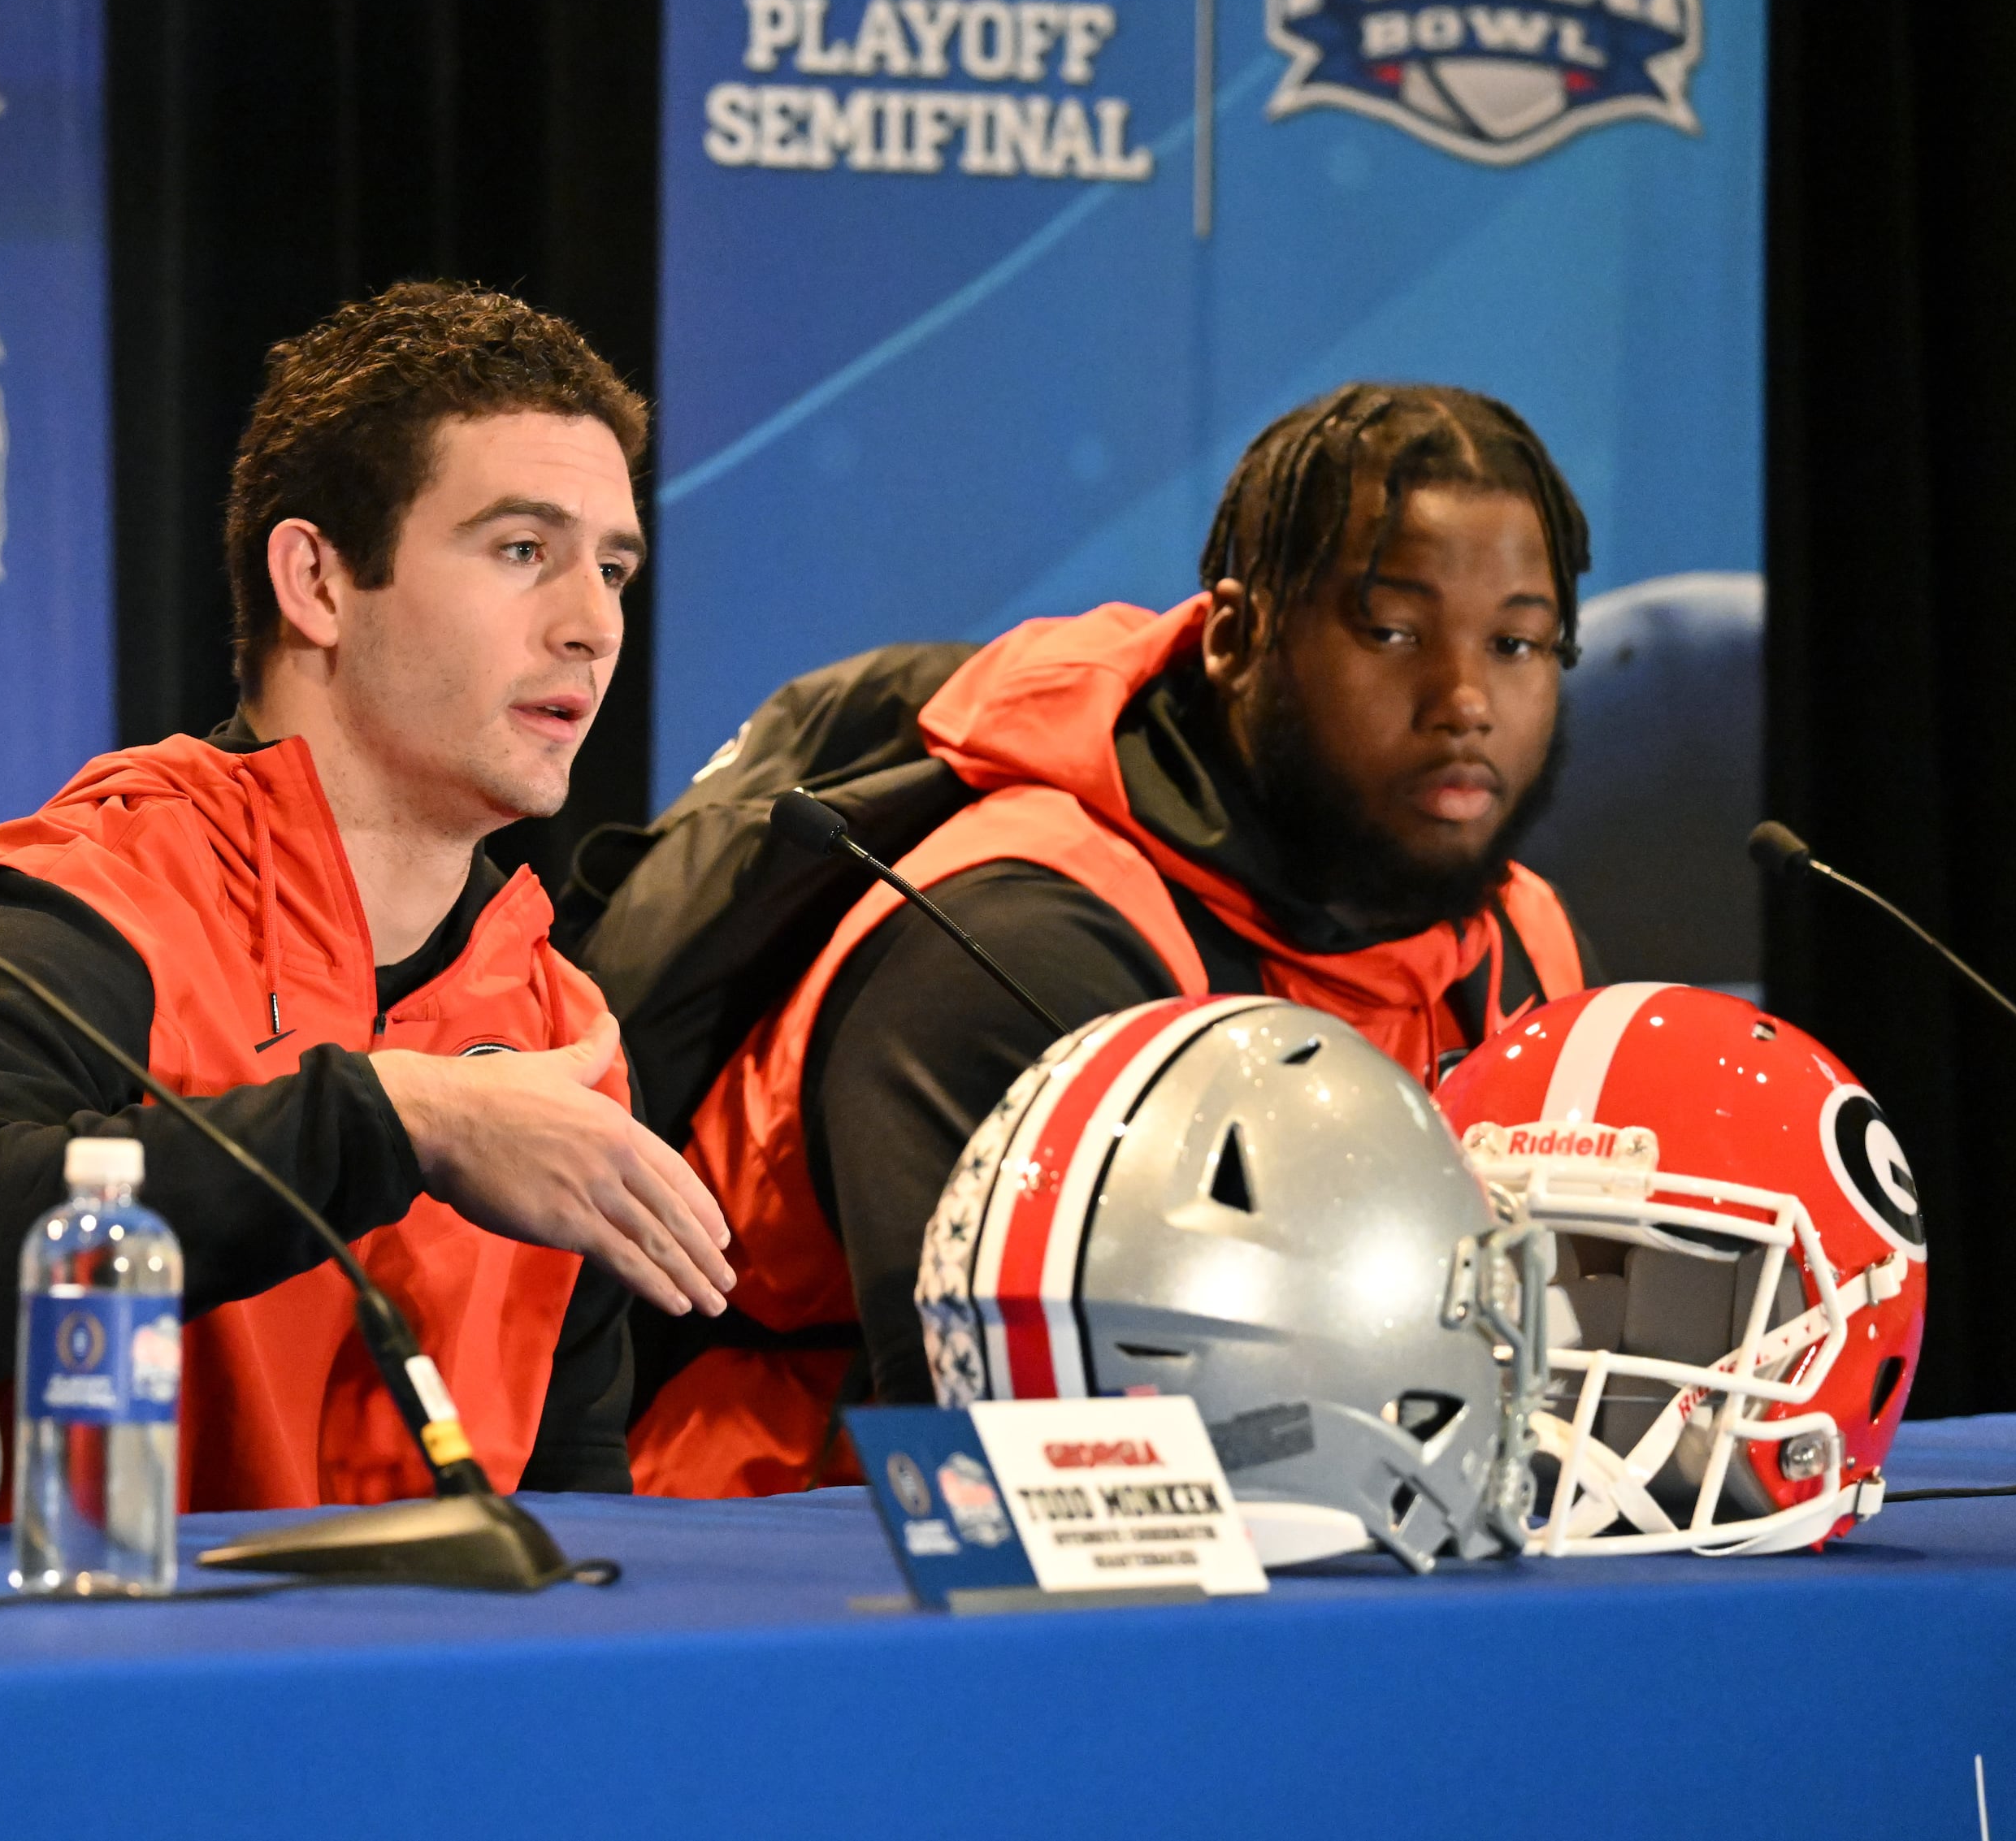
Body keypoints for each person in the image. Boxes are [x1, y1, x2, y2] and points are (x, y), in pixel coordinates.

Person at [0, 282, 733, 1509]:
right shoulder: (82, 903)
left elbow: (570, 1494)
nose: (592, 626)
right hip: (86, 1671)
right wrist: (401, 1119)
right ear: (315, 581)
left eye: (613, 568)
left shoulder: (557, 1028)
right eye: (523, 551)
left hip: (426, 1687)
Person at [629, 382, 1598, 1497]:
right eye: (1392, 629)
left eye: (1519, 642)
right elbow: (1003, 1455)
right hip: (816, 1562)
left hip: (1342, 1515)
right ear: (1238, 637)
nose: (1466, 699)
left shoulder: (1523, 936)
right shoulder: (1011, 931)